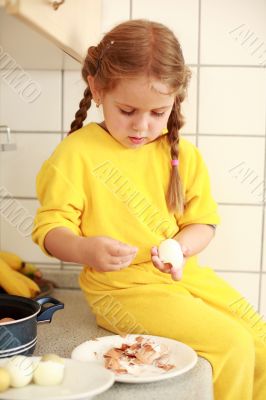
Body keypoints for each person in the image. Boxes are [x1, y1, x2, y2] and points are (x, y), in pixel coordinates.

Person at [32, 19, 265, 400]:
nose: (142, 126)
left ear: (175, 100)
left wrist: (179, 249)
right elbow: (50, 228)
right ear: (97, 88)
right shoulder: (76, 154)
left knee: (258, 337)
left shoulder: (181, 154)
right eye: (127, 110)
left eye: (158, 113)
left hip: (182, 280)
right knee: (233, 346)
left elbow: (202, 222)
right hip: (120, 292)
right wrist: (85, 249)